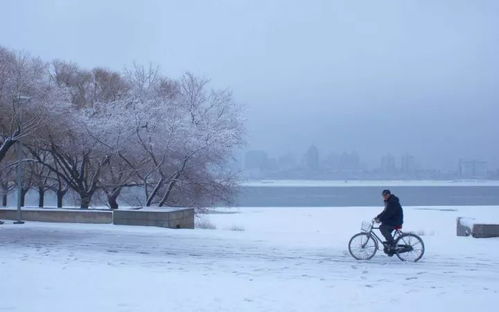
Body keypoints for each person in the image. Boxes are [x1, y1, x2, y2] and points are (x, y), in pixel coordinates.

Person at [374, 189, 403, 255]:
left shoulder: (392, 201)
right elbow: (385, 212)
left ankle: (392, 245)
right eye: (383, 196)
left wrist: (380, 219)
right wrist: (378, 217)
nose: (384, 197)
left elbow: (389, 213)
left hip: (396, 220)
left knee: (382, 228)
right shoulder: (389, 201)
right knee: (384, 229)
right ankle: (390, 245)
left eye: (385, 195)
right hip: (393, 220)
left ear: (389, 194)